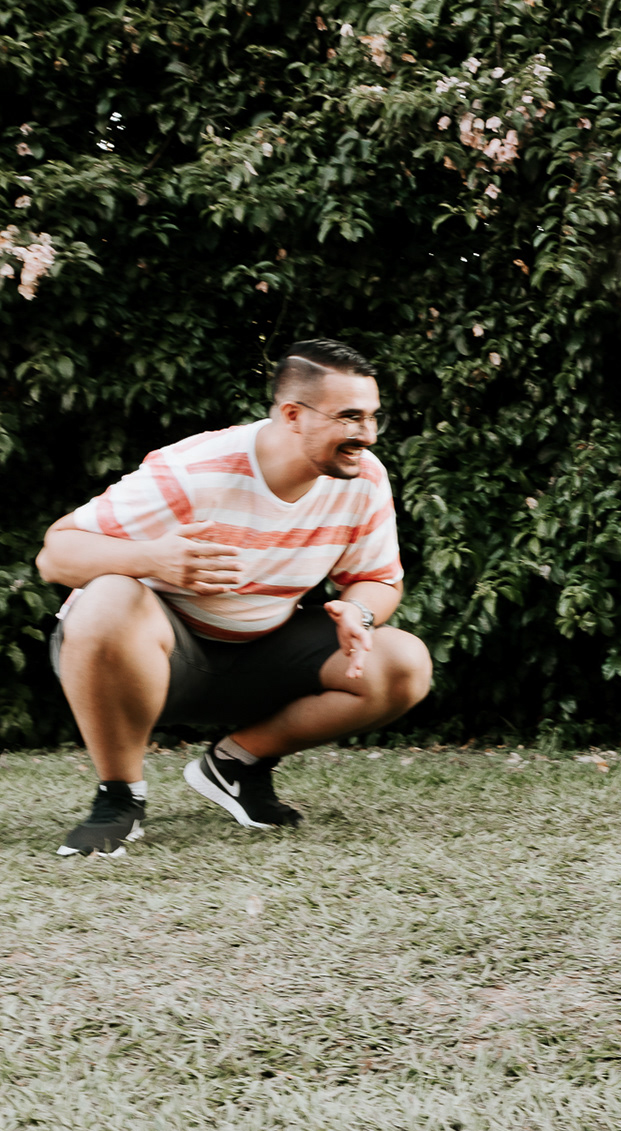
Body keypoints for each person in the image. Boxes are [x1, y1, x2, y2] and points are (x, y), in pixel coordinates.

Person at [35, 339, 433, 856]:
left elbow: (379, 579)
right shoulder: (196, 469)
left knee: (404, 663)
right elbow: (56, 554)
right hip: (153, 660)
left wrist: (359, 611)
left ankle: (235, 764)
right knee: (109, 595)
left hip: (260, 656)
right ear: (292, 415)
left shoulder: (363, 478)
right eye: (350, 417)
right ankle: (120, 796)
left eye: (373, 416)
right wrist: (153, 559)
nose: (369, 434)